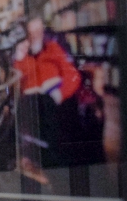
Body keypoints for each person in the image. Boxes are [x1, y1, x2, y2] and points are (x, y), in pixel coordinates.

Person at [12, 16, 103, 169]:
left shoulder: (53, 48)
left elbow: (72, 75)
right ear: (26, 34)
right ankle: (59, 158)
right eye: (32, 32)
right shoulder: (22, 56)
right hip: (33, 100)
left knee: (67, 117)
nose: (36, 35)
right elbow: (16, 83)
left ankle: (75, 158)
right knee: (48, 115)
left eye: (39, 30)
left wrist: (61, 93)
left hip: (58, 95)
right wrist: (19, 59)